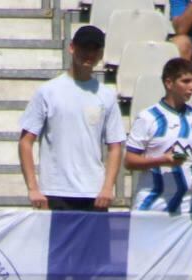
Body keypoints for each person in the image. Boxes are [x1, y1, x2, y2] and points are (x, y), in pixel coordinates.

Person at [18, 25, 125, 212]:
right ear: (72, 47)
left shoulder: (106, 95)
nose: (89, 54)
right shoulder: (48, 91)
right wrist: (33, 188)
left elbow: (115, 145)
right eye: (84, 48)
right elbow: (26, 142)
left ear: (101, 53)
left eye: (94, 49)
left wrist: (108, 187)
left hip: (94, 194)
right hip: (55, 191)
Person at [125, 58, 192, 216]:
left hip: (189, 208)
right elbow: (129, 161)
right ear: (169, 83)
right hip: (152, 204)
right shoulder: (148, 117)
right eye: (185, 81)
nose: (191, 87)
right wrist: (162, 160)